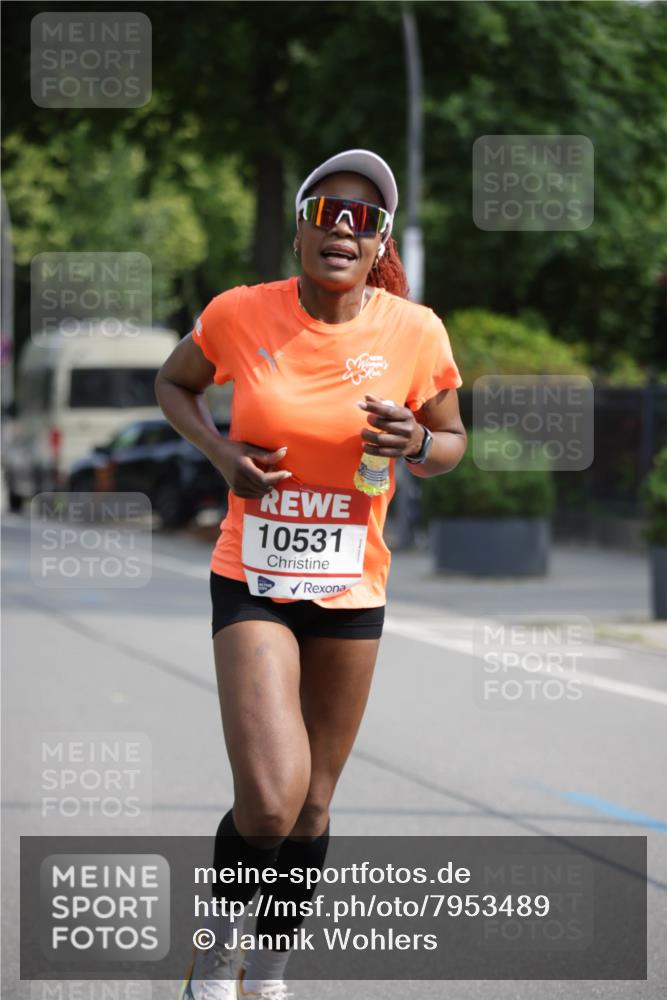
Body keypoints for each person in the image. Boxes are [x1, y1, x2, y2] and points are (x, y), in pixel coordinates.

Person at [155, 149, 467, 1000]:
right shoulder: (238, 313)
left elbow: (449, 442)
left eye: (363, 220)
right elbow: (175, 384)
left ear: (379, 244)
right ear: (299, 227)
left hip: (351, 586)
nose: (342, 229)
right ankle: (215, 962)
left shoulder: (416, 331)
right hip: (252, 576)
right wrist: (221, 454)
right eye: (327, 211)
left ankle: (269, 975)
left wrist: (417, 442)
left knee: (314, 806)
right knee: (269, 801)